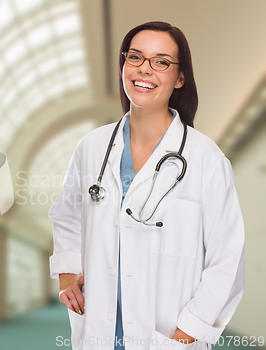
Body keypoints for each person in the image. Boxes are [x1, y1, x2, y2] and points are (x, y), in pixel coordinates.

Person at [48, 21, 245, 350]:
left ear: (180, 77)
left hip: (167, 338)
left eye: (162, 61)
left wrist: (184, 338)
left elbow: (227, 259)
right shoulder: (92, 147)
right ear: (123, 64)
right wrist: (68, 275)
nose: (145, 69)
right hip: (99, 332)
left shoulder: (206, 159)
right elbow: (66, 215)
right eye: (135, 57)